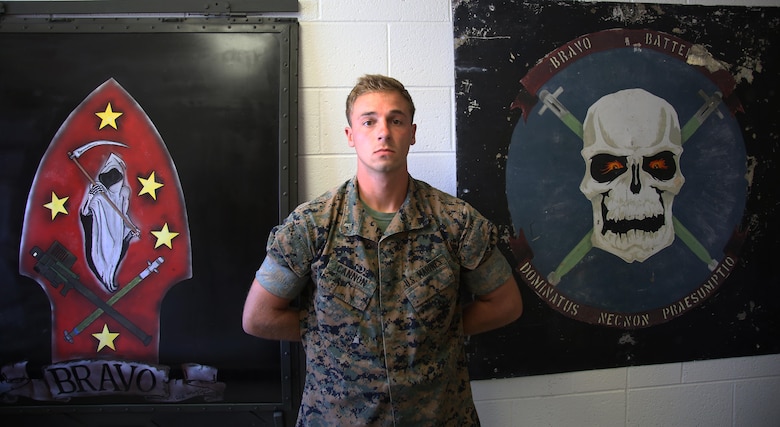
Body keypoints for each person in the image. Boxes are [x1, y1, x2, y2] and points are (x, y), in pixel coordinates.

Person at [242, 74, 523, 426]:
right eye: (369, 121)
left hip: (437, 416)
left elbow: (505, 304)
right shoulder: (312, 225)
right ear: (350, 135)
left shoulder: (457, 222)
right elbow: (258, 317)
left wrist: (439, 330)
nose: (383, 132)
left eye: (396, 120)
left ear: (413, 132)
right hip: (338, 418)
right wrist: (327, 331)